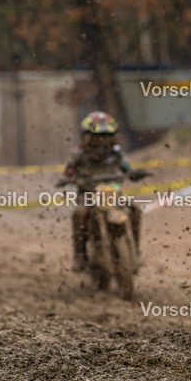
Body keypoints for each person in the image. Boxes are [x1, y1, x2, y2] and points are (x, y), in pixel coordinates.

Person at [61, 111, 145, 271]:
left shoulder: (117, 152)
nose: (101, 143)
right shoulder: (77, 153)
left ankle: (136, 250)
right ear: (86, 138)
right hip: (87, 193)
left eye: (106, 137)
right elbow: (68, 173)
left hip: (113, 192)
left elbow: (127, 168)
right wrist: (66, 181)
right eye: (96, 138)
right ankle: (79, 254)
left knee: (134, 209)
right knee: (79, 213)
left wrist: (134, 173)